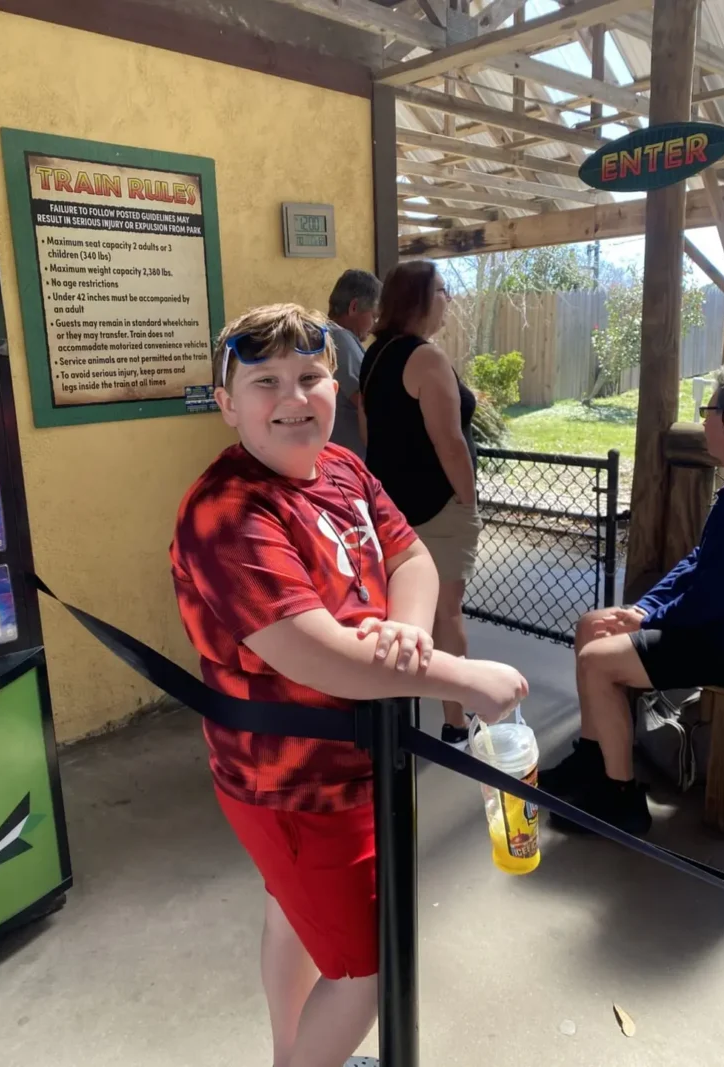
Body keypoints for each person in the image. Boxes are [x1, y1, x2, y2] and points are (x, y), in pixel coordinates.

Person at [170, 303, 528, 1067]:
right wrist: (460, 674)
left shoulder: (343, 467)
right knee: (369, 969)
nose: (293, 398)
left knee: (293, 916)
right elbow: (314, 652)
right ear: (228, 403)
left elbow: (411, 557)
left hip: (360, 761)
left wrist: (407, 632)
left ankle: (290, 1054)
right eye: (266, 383)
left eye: (310, 377)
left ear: (337, 388)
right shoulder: (228, 511)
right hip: (297, 785)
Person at [541, 363, 724, 837]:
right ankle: (594, 759)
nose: (702, 422)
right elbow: (697, 562)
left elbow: (711, 600)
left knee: (598, 661)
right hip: (713, 627)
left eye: (707, 411)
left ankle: (621, 800)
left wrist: (647, 622)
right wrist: (643, 610)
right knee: (592, 625)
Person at [359, 260, 482, 750]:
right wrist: (468, 498)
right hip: (437, 506)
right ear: (420, 299)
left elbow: (369, 431)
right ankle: (457, 723)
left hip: (391, 508)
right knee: (446, 615)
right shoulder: (426, 358)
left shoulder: (376, 355)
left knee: (405, 612)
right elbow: (449, 442)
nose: (449, 298)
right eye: (442, 290)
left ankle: (397, 718)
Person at [327, 268, 381, 459]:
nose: (375, 326)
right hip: (348, 459)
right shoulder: (340, 338)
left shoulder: (326, 335)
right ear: (354, 307)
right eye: (374, 316)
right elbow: (369, 402)